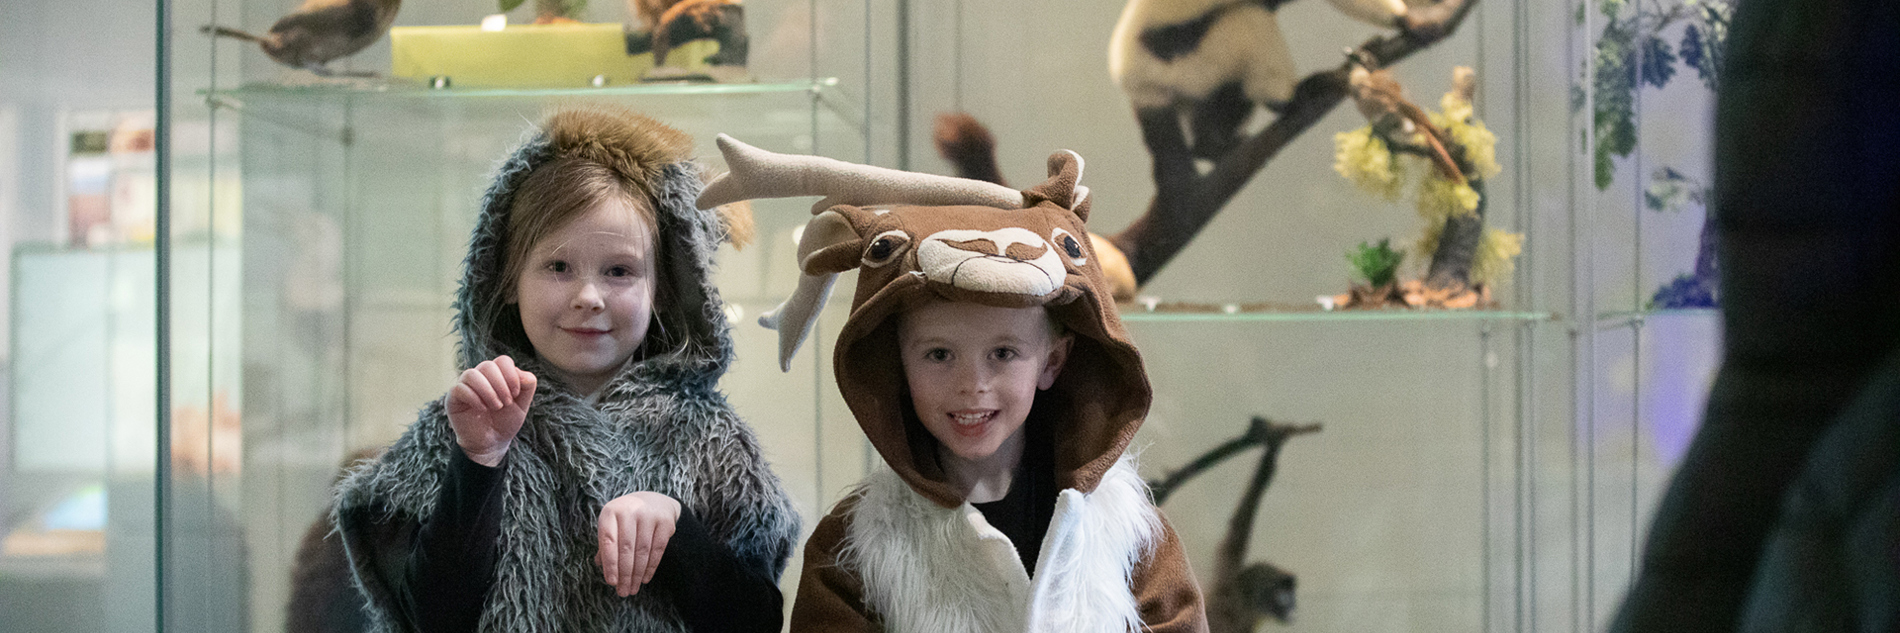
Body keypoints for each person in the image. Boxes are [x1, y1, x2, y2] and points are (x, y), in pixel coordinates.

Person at [695, 135, 1209, 632]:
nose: (973, 385)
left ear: (1052, 362)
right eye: (939, 354)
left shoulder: (1130, 534)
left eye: (1003, 354)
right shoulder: (852, 549)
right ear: (898, 362)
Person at [333, 107, 800, 632]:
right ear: (506, 279)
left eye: (619, 271)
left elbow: (756, 621)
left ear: (665, 290)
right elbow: (431, 618)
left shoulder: (710, 442)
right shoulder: (458, 430)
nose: (588, 297)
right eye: (558, 267)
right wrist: (478, 462)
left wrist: (676, 529)